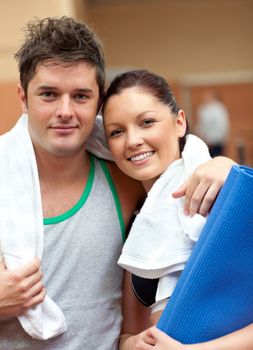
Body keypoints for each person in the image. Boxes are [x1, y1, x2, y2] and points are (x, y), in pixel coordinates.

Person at [0, 16, 234, 350]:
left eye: (81, 96)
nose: (65, 111)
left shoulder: (124, 179)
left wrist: (224, 166)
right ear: (23, 98)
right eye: (49, 94)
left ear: (98, 101)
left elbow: (178, 165)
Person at [101, 70, 252, 349]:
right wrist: (133, 344)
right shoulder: (138, 225)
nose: (132, 140)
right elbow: (128, 334)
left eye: (146, 122)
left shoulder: (227, 198)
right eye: (117, 131)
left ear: (179, 122)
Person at [195, 90, 230, 157]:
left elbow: (222, 126)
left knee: (217, 159)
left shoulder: (219, 109)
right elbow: (201, 125)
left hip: (217, 141)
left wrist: (214, 139)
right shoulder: (202, 109)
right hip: (205, 141)